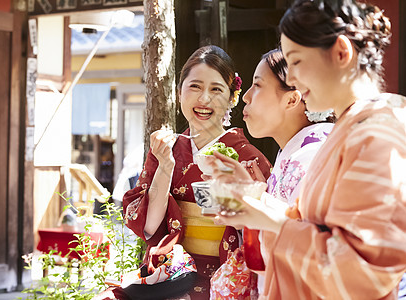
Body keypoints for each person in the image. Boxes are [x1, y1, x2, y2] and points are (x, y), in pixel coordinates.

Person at [215, 0, 406, 299]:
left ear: (341, 52)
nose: (291, 78)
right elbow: (315, 227)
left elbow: (363, 274)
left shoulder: (375, 136)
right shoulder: (352, 129)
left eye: (297, 61)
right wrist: (256, 203)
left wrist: (269, 219)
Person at [116, 45, 272, 300]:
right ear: (179, 93)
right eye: (195, 87)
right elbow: (148, 228)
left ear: (233, 98)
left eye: (216, 90)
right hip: (171, 277)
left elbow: (264, 232)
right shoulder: (165, 150)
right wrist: (165, 168)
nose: (204, 99)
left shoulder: (249, 159)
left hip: (227, 278)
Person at [208, 48, 334, 299]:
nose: (246, 97)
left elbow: (303, 241)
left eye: (258, 85)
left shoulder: (310, 156)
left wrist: (254, 204)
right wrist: (250, 198)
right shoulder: (298, 151)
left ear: (292, 99)